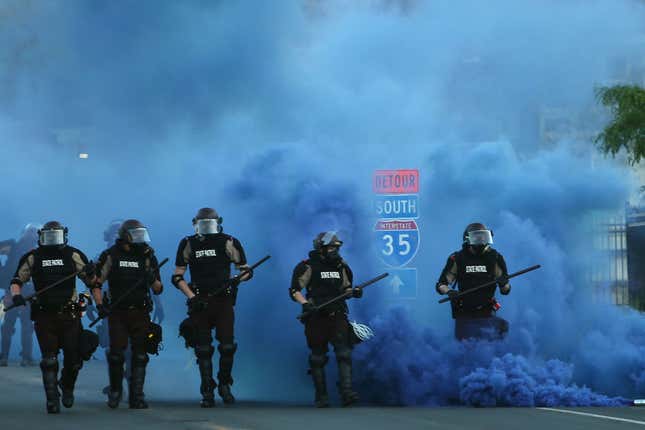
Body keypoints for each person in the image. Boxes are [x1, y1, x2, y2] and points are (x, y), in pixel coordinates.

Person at [7, 221, 95, 413]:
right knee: (49, 360)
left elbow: (91, 282)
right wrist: (16, 295)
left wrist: (91, 277)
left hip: (70, 314)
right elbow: (17, 280)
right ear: (41, 236)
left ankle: (67, 386)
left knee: (73, 359)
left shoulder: (74, 255)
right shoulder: (32, 257)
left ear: (64, 235)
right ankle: (52, 399)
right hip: (44, 315)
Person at [172, 207, 252, 407]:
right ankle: (207, 390)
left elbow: (245, 270)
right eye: (203, 223)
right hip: (200, 301)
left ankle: (225, 384)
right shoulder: (188, 243)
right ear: (196, 224)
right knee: (203, 349)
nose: (207, 227)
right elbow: (177, 276)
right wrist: (191, 297)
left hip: (223, 301)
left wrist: (237, 279)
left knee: (227, 346)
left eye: (210, 223)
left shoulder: (229, 241)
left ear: (218, 223)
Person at [92, 219, 163, 409]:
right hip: (117, 312)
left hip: (140, 311)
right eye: (136, 235)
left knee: (140, 355)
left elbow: (158, 289)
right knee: (116, 354)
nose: (141, 239)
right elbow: (96, 283)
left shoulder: (148, 256)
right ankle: (115, 392)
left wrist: (152, 279)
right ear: (126, 236)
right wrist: (99, 305)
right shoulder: (110, 255)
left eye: (142, 235)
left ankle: (136, 395)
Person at [289, 231, 363, 408]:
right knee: (318, 358)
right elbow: (295, 290)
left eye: (336, 248)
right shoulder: (308, 266)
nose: (334, 251)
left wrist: (354, 292)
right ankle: (321, 396)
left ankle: (347, 393)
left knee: (344, 353)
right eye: (330, 247)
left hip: (337, 315)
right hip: (316, 317)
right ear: (321, 248)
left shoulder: (341, 266)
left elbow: (347, 288)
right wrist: (305, 304)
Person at [435, 222, 511, 341]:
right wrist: (450, 292)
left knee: (502, 328)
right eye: (477, 238)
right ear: (468, 240)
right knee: (465, 346)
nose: (481, 242)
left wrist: (503, 283)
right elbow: (441, 285)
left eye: (484, 237)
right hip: (464, 313)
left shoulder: (495, 258)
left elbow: (505, 290)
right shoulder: (457, 258)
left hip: (487, 312)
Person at [0, 223, 40, 366]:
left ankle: (5, 357)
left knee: (11, 325)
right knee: (24, 325)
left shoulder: (14, 246)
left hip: (14, 291)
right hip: (24, 293)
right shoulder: (36, 251)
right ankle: (25, 358)